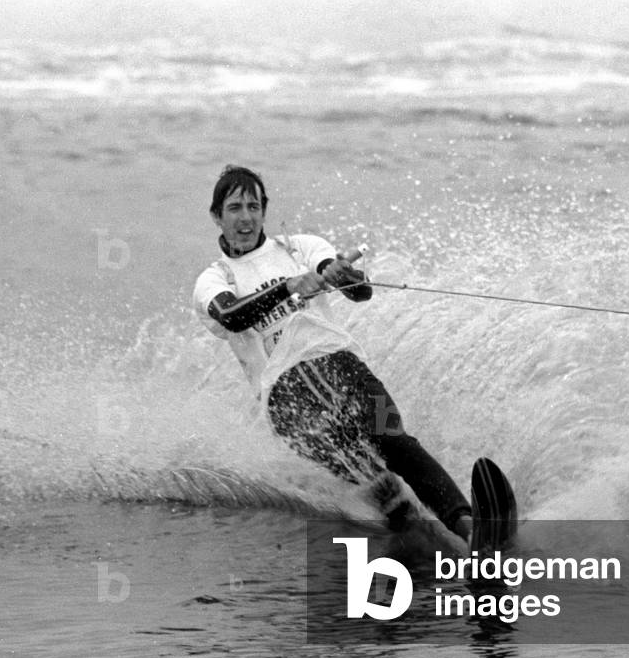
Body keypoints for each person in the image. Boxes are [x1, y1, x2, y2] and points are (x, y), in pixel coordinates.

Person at [192, 165, 472, 542]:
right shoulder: (214, 279)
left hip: (341, 365)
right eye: (235, 208)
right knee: (366, 474)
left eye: (254, 207)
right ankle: (421, 535)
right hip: (286, 399)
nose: (246, 218)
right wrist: (287, 287)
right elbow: (232, 316)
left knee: (394, 440)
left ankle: (467, 526)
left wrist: (344, 275)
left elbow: (361, 293)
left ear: (264, 211)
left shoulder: (300, 248)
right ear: (217, 216)